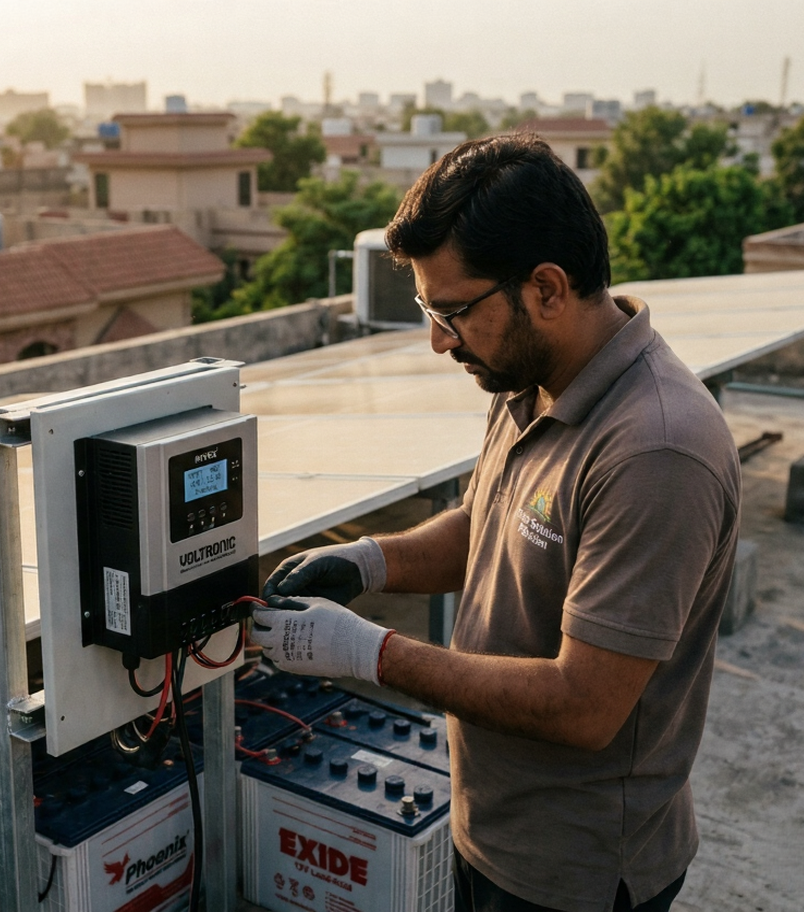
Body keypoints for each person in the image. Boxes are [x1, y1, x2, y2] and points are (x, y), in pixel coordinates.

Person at [250, 134, 741, 912]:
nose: (438, 340)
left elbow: (584, 704)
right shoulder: (528, 378)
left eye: (452, 312)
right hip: (490, 823)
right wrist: (370, 561)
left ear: (546, 289)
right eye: (429, 310)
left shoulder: (657, 448)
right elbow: (490, 526)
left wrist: (368, 653)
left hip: (573, 869)